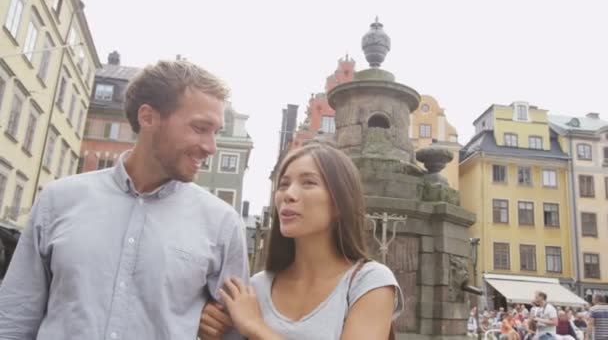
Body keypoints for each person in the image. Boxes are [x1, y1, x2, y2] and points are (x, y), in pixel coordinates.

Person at [0, 60, 249, 339]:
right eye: (200, 128)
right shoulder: (58, 200)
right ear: (148, 117)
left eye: (216, 132)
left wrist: (216, 324)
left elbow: (233, 332)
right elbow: (14, 316)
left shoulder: (223, 225)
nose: (211, 147)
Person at [199, 142, 404, 339]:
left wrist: (257, 328)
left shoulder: (369, 282)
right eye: (284, 184)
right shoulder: (256, 288)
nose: (288, 194)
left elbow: (253, 326)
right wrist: (213, 329)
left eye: (309, 182)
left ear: (340, 202)